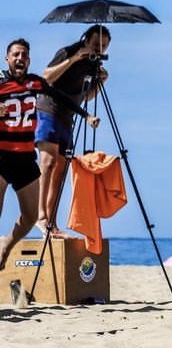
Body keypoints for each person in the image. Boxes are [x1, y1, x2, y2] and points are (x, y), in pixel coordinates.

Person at [0, 38, 100, 269]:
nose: (20, 58)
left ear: (29, 60)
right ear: (7, 58)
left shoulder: (35, 83)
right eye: (15, 54)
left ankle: (5, 247)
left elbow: (61, 97)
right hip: (2, 155)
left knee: (31, 216)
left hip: (25, 158)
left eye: (24, 55)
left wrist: (86, 116)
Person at [35, 24, 111, 238]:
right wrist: (74, 58)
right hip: (48, 109)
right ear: (86, 39)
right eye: (96, 44)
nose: (99, 49)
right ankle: (40, 217)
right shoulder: (67, 52)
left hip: (68, 116)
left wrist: (100, 83)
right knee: (48, 163)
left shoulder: (93, 65)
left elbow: (85, 97)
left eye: (104, 46)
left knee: (61, 170)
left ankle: (51, 223)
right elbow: (46, 78)